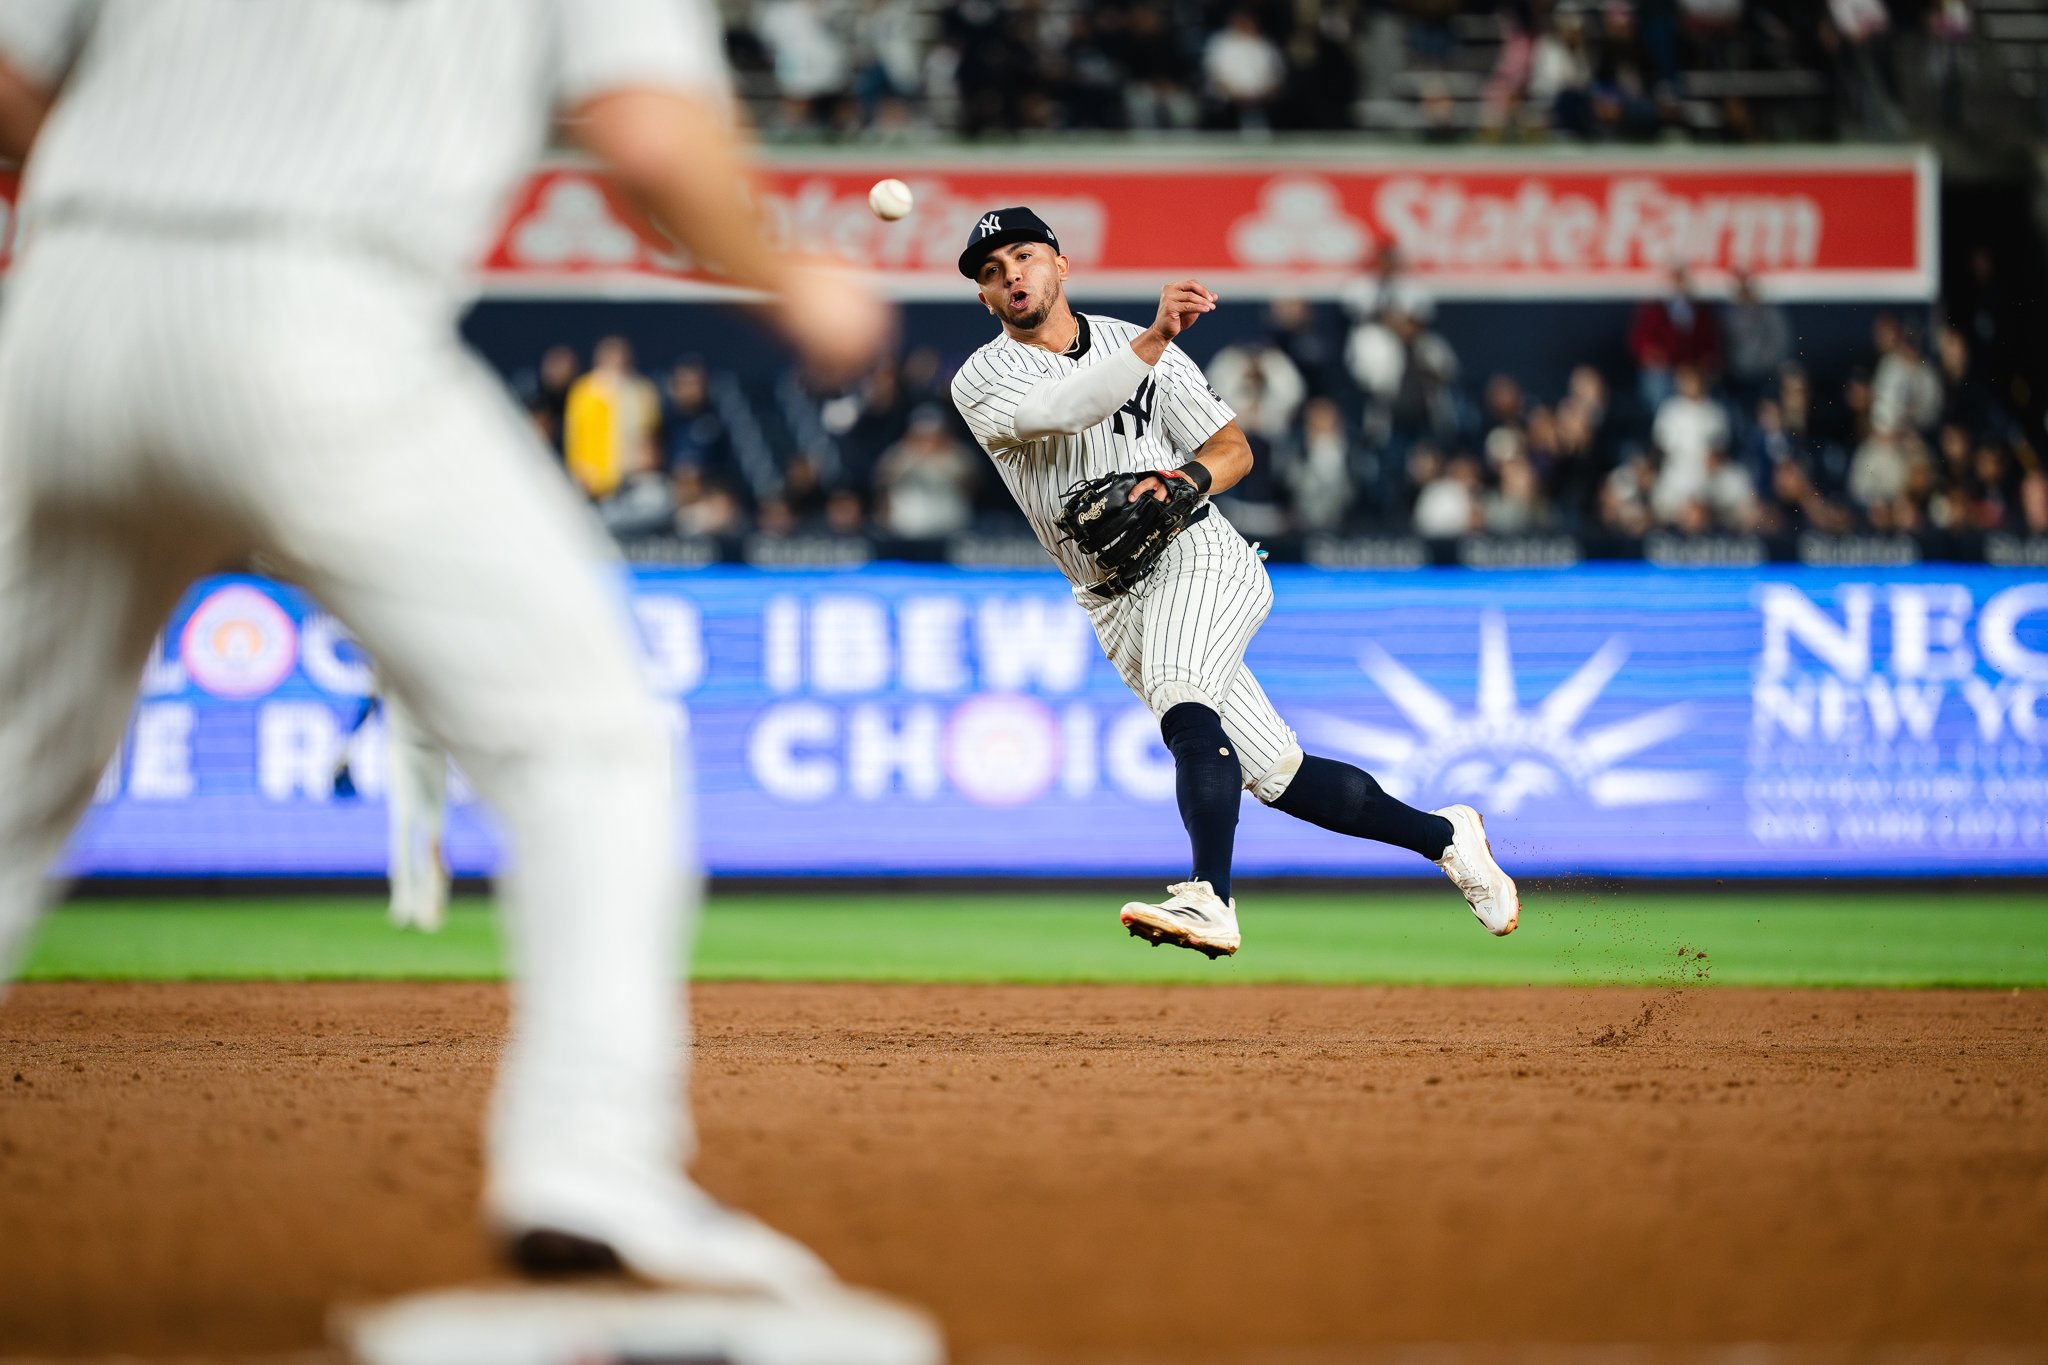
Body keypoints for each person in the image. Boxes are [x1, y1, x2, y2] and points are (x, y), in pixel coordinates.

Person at [0, 0, 893, 1314]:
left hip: (62, 302)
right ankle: (592, 1166)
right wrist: (790, 274)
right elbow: (646, 135)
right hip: (314, 300)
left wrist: (150, 179)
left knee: (12, 786)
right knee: (587, 746)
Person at [949, 207, 1518, 959]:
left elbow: (1231, 449)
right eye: (991, 273)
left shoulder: (1134, 342)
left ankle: (1210, 896)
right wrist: (1154, 342)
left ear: (1060, 264)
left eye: (1023, 256)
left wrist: (1184, 480)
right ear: (985, 300)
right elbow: (1067, 406)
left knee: (1186, 693)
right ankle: (1447, 835)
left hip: (1199, 553)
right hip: (1113, 600)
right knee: (1277, 771)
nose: (1010, 275)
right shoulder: (984, 376)